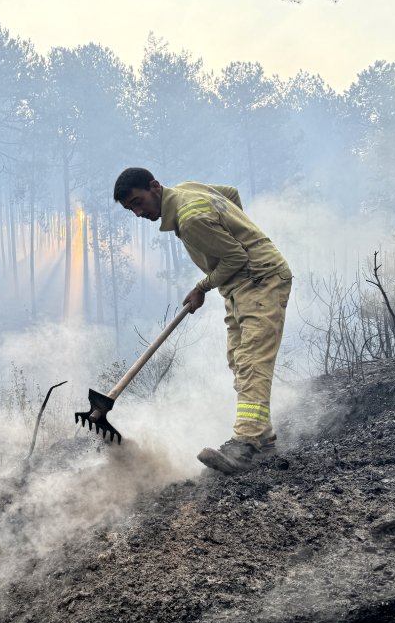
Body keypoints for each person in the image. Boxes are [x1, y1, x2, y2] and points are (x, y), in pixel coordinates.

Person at [113, 167, 293, 475]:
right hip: (241, 285)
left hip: (259, 278)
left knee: (252, 361)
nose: (139, 212)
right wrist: (236, 228)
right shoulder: (187, 189)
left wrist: (202, 286)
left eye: (138, 202)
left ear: (155, 187)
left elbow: (237, 257)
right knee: (239, 361)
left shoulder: (191, 219)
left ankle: (244, 446)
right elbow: (231, 194)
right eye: (131, 208)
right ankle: (263, 442)